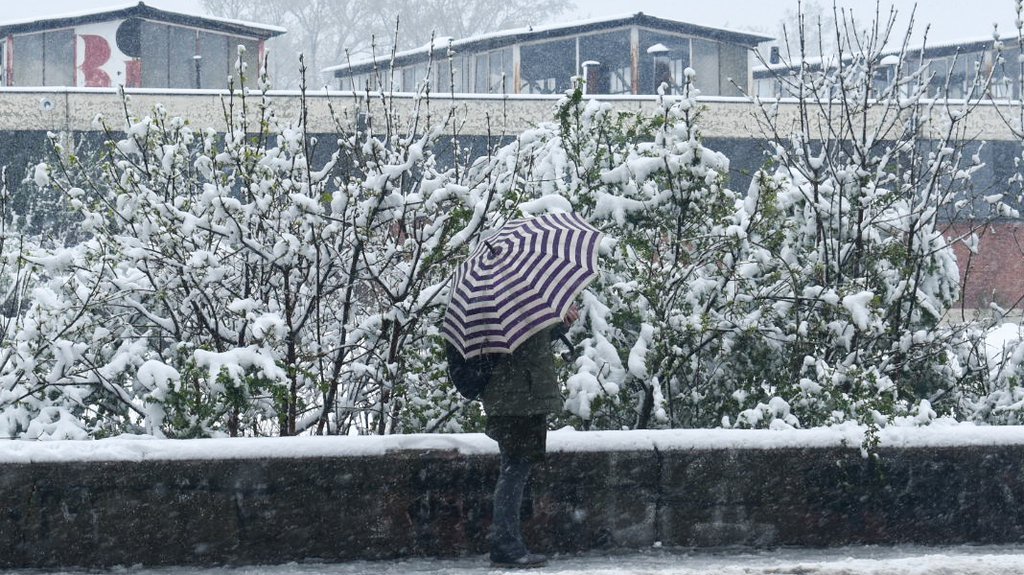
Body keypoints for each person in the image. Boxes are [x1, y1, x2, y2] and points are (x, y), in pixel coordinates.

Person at [481, 303, 580, 568]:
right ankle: (506, 545)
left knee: (514, 469)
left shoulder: (500, 303)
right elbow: (524, 345)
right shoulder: (509, 304)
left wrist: (561, 324)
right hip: (520, 399)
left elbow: (532, 340)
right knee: (514, 471)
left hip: (515, 397)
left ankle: (507, 543)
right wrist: (558, 320)